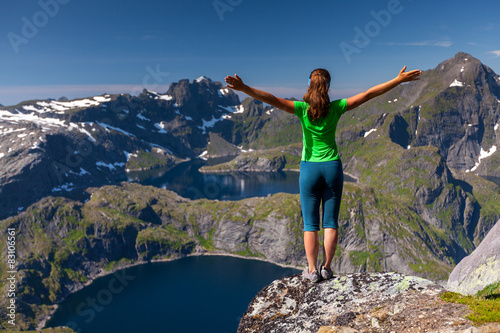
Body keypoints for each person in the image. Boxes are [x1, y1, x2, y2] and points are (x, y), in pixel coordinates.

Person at [224, 66, 422, 282]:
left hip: (309, 169)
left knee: (310, 224)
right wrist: (397, 80)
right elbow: (369, 94)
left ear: (310, 84)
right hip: (332, 168)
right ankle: (326, 267)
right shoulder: (337, 108)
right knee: (330, 222)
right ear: (328, 86)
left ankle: (311, 270)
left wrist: (244, 88)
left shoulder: (301, 109)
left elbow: (272, 99)